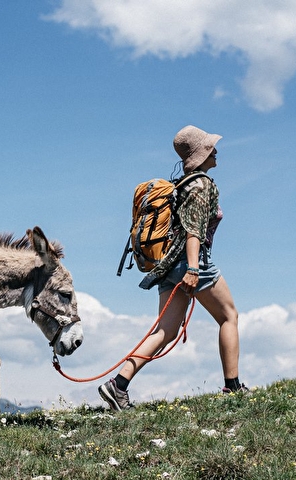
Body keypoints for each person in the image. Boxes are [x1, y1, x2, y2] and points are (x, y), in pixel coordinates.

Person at [99, 125, 245, 411]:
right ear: (201, 154)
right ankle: (233, 387)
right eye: (210, 148)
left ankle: (118, 384)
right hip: (190, 262)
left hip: (167, 265)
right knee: (229, 316)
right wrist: (193, 269)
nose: (215, 151)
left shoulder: (181, 184)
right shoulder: (202, 185)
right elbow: (194, 231)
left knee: (165, 331)